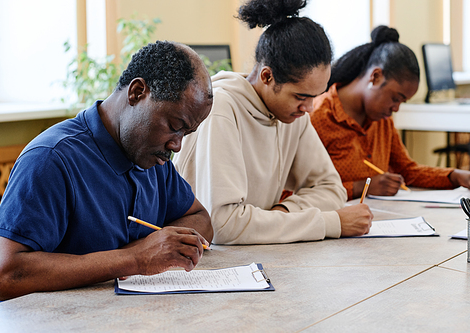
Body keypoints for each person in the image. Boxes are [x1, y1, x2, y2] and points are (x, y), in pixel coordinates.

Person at [0, 41, 214, 308]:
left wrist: (163, 246)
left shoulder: (153, 158)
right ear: (137, 92)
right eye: (174, 126)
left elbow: (200, 218)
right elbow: (7, 276)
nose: (177, 145)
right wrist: (136, 258)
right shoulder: (51, 159)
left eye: (186, 134)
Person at [173, 0, 373, 245]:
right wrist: (331, 223)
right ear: (267, 76)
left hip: (257, 254)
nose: (309, 108)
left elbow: (332, 189)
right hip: (205, 263)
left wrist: (283, 214)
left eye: (315, 97)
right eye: (301, 96)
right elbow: (222, 226)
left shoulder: (291, 114)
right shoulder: (221, 110)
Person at [310, 25, 470, 200]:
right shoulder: (317, 117)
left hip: (381, 216)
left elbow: (407, 171)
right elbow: (302, 190)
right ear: (376, 77)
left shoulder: (381, 118)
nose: (396, 109)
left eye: (402, 102)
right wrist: (361, 187)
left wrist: (455, 176)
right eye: (395, 98)